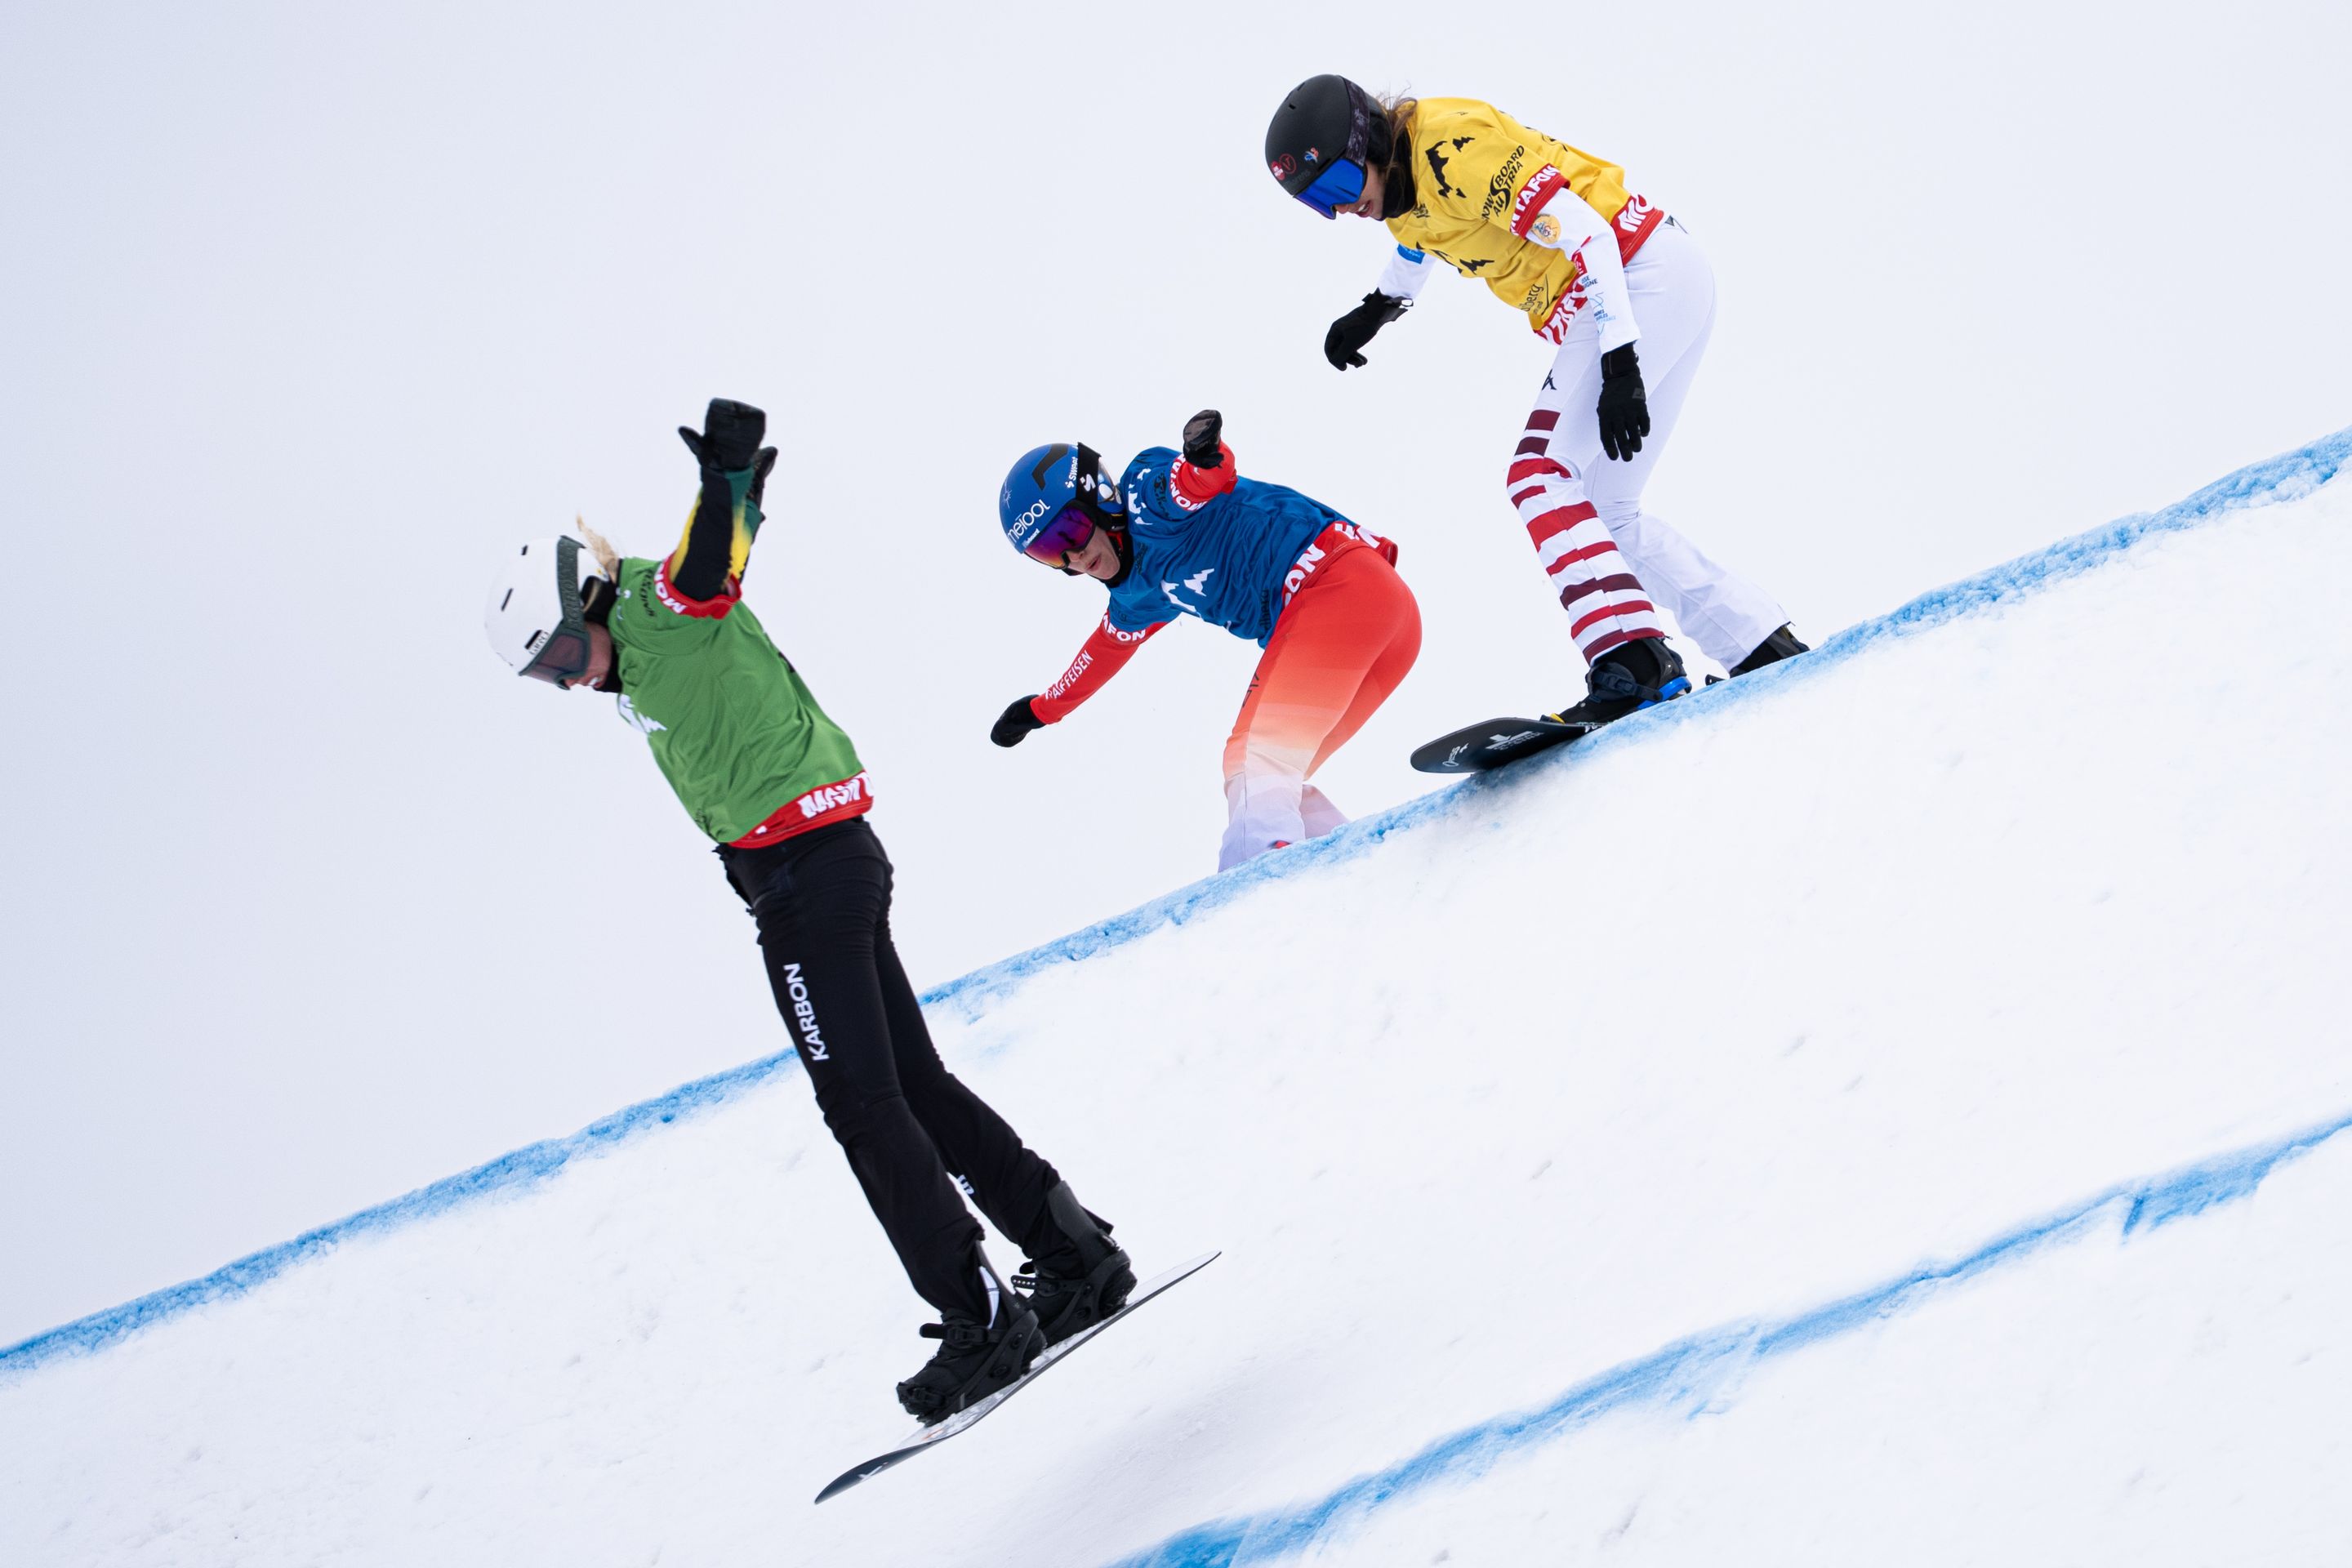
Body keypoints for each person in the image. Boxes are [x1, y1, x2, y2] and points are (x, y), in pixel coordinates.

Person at [482, 398, 1134, 1424]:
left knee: (862, 1107)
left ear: (591, 602)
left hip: (802, 878)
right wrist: (738, 496)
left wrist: (729, 482)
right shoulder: (643, 640)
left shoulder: (656, 610)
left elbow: (709, 568)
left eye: (563, 658)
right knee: (912, 1085)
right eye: (547, 678)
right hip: (824, 862)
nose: (570, 684)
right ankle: (1075, 1258)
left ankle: (981, 1320)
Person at [1264, 74, 1808, 728]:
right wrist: (1380, 306)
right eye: (1318, 203)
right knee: (1605, 510)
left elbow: (1588, 235)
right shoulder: (1402, 190)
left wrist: (1620, 357)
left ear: (1372, 140)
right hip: (1657, 277)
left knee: (1538, 474)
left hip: (1636, 276)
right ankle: (1756, 642)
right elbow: (1423, 236)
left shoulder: (1454, 148)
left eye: (1340, 187)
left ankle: (1632, 661)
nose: (1342, 209)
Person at [991, 409, 1422, 871]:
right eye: (1049, 553)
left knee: (1253, 756)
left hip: (1336, 586)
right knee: (1272, 781)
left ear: (1098, 494)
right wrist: (1041, 710)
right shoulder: (1137, 595)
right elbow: (1102, 653)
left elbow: (1196, 482)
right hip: (1384, 629)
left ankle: (1261, 877)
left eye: (1069, 531)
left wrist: (1205, 454)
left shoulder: (1145, 497)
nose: (1074, 557)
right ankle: (1347, 871)